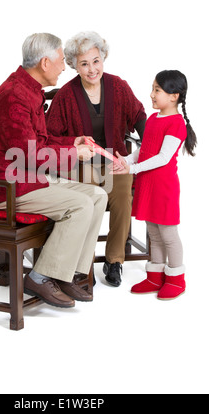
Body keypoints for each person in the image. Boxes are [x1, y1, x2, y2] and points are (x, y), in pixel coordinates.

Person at [0, 33, 108, 309]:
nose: (65, 67)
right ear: (45, 62)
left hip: (32, 180)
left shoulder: (29, 90)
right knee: (81, 205)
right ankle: (40, 277)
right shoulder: (14, 95)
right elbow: (27, 155)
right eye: (62, 61)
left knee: (98, 196)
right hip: (10, 186)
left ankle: (67, 273)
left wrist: (72, 141)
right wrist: (75, 154)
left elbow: (39, 142)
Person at [46, 31, 146, 287]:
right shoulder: (66, 95)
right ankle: (83, 262)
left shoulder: (119, 86)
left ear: (103, 58)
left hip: (115, 162)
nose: (92, 69)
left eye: (96, 61)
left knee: (122, 194)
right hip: (79, 165)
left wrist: (149, 147)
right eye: (84, 63)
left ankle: (115, 261)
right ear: (74, 66)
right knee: (87, 198)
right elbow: (49, 136)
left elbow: (138, 115)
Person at [111, 70, 197, 299]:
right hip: (148, 183)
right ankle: (155, 276)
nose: (151, 94)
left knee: (168, 233)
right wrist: (126, 160)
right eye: (153, 89)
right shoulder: (152, 119)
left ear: (174, 96)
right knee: (153, 232)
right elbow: (143, 151)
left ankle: (177, 279)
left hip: (164, 187)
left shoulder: (176, 123)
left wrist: (132, 169)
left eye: (157, 90)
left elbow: (162, 158)